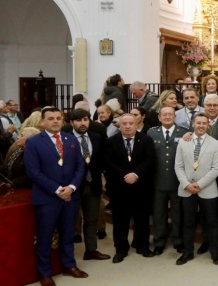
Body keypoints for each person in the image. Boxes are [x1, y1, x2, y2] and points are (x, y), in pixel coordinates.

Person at [24, 107, 89, 285]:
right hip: (47, 198)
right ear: (43, 122)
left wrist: (72, 187)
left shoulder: (71, 139)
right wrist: (58, 190)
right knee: (45, 237)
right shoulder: (34, 142)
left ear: (63, 120)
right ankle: (45, 273)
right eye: (51, 118)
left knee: (68, 233)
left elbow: (80, 167)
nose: (55, 121)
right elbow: (33, 172)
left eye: (58, 118)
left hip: (71, 196)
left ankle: (69, 265)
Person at [104, 114, 155, 263]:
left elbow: (150, 160)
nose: (127, 126)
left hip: (141, 187)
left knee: (142, 219)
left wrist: (136, 174)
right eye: (124, 123)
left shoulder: (146, 140)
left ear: (136, 124)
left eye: (130, 123)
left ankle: (142, 246)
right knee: (120, 220)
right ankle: (121, 249)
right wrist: (126, 175)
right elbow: (108, 162)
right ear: (119, 125)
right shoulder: (110, 142)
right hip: (119, 187)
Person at [175, 113, 218, 266]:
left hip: (207, 189)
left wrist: (199, 184)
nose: (201, 126)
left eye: (204, 123)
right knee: (188, 222)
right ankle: (188, 251)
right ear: (193, 124)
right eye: (198, 123)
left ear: (208, 125)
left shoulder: (215, 144)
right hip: (187, 188)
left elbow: (216, 169)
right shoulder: (183, 142)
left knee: (211, 222)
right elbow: (178, 166)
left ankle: (215, 252)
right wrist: (186, 184)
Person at [68, 109, 111, 262]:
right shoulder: (66, 138)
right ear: (72, 122)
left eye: (85, 119)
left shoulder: (97, 138)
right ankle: (67, 256)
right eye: (78, 120)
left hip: (93, 184)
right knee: (70, 221)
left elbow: (103, 160)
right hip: (72, 187)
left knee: (91, 219)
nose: (83, 123)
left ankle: (91, 250)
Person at [148, 106, 189, 255]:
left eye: (170, 114)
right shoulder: (151, 133)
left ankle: (178, 240)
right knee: (159, 213)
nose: (167, 117)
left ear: (174, 117)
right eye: (164, 115)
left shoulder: (184, 133)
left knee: (178, 212)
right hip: (157, 181)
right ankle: (159, 241)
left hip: (178, 181)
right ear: (159, 117)